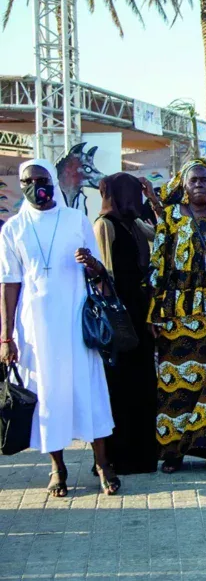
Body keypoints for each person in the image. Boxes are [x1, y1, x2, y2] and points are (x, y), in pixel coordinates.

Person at [0, 159, 119, 496]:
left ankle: (102, 464)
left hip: (76, 323)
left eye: (42, 179)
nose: (36, 185)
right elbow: (8, 283)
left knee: (88, 390)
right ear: (22, 185)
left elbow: (99, 272)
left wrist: (92, 263)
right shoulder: (13, 229)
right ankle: (58, 468)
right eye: (28, 180)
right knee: (47, 397)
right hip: (36, 328)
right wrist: (6, 337)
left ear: (52, 182)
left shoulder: (75, 219)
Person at [151, 158, 206, 474]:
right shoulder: (170, 217)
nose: (199, 184)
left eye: (204, 179)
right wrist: (154, 314)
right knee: (175, 385)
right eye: (193, 180)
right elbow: (158, 264)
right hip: (177, 314)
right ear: (184, 185)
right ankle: (173, 453)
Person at [92, 173, 159, 475]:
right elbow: (104, 274)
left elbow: (161, 236)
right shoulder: (105, 225)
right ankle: (120, 457)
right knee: (121, 386)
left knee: (142, 382)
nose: (137, 200)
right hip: (119, 315)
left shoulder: (133, 223)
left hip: (139, 309)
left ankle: (142, 454)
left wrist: (154, 199)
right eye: (132, 194)